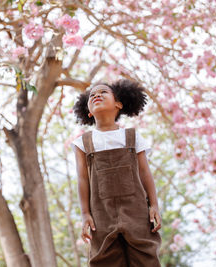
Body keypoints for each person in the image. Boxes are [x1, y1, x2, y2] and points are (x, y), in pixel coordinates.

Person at [71, 79, 162, 266]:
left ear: (118, 104)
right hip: (100, 214)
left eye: (103, 92)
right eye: (92, 95)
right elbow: (82, 179)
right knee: (104, 258)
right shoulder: (83, 143)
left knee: (145, 256)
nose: (97, 95)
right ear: (88, 111)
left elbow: (145, 172)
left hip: (136, 211)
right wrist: (85, 214)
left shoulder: (132, 136)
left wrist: (154, 205)